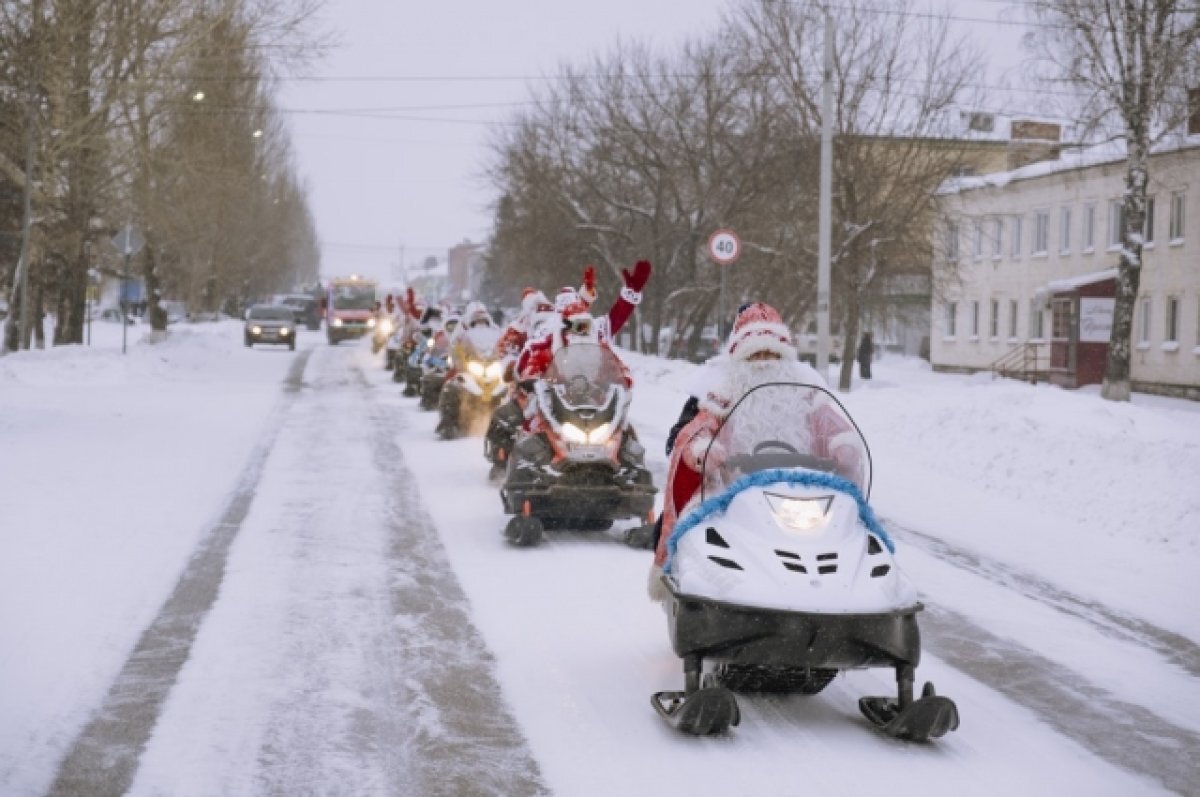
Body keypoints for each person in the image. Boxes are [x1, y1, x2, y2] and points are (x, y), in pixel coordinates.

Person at [647, 303, 862, 577]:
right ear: (741, 357)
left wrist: (841, 443)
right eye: (756, 354)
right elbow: (699, 429)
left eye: (771, 353)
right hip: (732, 485)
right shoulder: (724, 391)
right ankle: (696, 580)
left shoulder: (804, 390)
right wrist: (702, 450)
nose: (764, 361)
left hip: (804, 485)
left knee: (845, 527)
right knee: (696, 526)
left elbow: (828, 421)